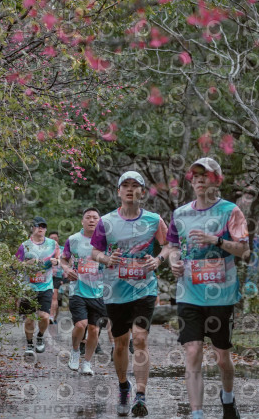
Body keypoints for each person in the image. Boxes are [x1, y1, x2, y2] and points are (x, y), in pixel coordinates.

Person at [166, 158, 249, 419]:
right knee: (192, 352)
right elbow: (172, 246)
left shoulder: (230, 211)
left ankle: (228, 399)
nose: (200, 179)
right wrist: (173, 261)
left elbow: (244, 250)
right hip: (189, 294)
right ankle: (197, 414)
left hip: (221, 296)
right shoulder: (180, 214)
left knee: (222, 357)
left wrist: (216, 240)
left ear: (217, 180)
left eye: (206, 175)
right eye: (195, 175)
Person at [91, 171, 171, 417]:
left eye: (135, 185)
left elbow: (169, 245)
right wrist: (107, 259)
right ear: (118, 191)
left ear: (142, 192)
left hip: (144, 289)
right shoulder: (106, 222)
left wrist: (158, 260)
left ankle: (141, 395)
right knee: (120, 344)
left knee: (140, 339)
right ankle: (124, 387)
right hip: (115, 291)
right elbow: (95, 252)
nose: (129, 189)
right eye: (124, 185)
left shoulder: (154, 220)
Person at [59, 208, 107, 376]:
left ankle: (87, 363)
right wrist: (66, 269)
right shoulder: (73, 240)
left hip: (99, 292)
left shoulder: (106, 240)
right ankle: (74, 352)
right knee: (81, 324)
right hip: (77, 290)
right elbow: (63, 258)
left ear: (100, 222)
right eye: (88, 217)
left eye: (95, 218)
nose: (91, 220)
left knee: (94, 330)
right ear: (82, 221)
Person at [15, 216, 60, 355]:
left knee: (44, 316)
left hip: (46, 286)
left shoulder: (52, 244)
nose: (41, 228)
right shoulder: (24, 245)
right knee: (29, 319)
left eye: (43, 226)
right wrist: (26, 264)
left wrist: (57, 262)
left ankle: (40, 336)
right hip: (28, 287)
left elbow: (60, 259)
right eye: (38, 225)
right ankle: (29, 344)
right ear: (32, 228)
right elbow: (15, 265)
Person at [48, 231, 64, 324]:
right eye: (51, 238)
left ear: (58, 239)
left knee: (56, 298)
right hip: (46, 276)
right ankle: (50, 316)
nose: (54, 240)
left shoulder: (63, 250)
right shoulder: (45, 249)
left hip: (58, 276)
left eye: (55, 238)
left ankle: (53, 317)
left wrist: (64, 278)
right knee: (50, 297)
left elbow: (67, 263)